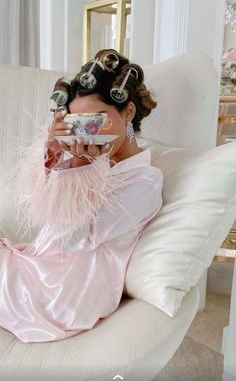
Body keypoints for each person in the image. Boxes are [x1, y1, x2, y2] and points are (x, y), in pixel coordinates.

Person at [0, 49, 163, 343]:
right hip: (41, 266)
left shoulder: (146, 180)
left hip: (65, 293)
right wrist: (52, 154)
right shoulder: (92, 162)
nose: (86, 134)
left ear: (128, 111)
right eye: (78, 123)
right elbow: (29, 207)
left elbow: (73, 239)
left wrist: (77, 167)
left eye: (97, 121)